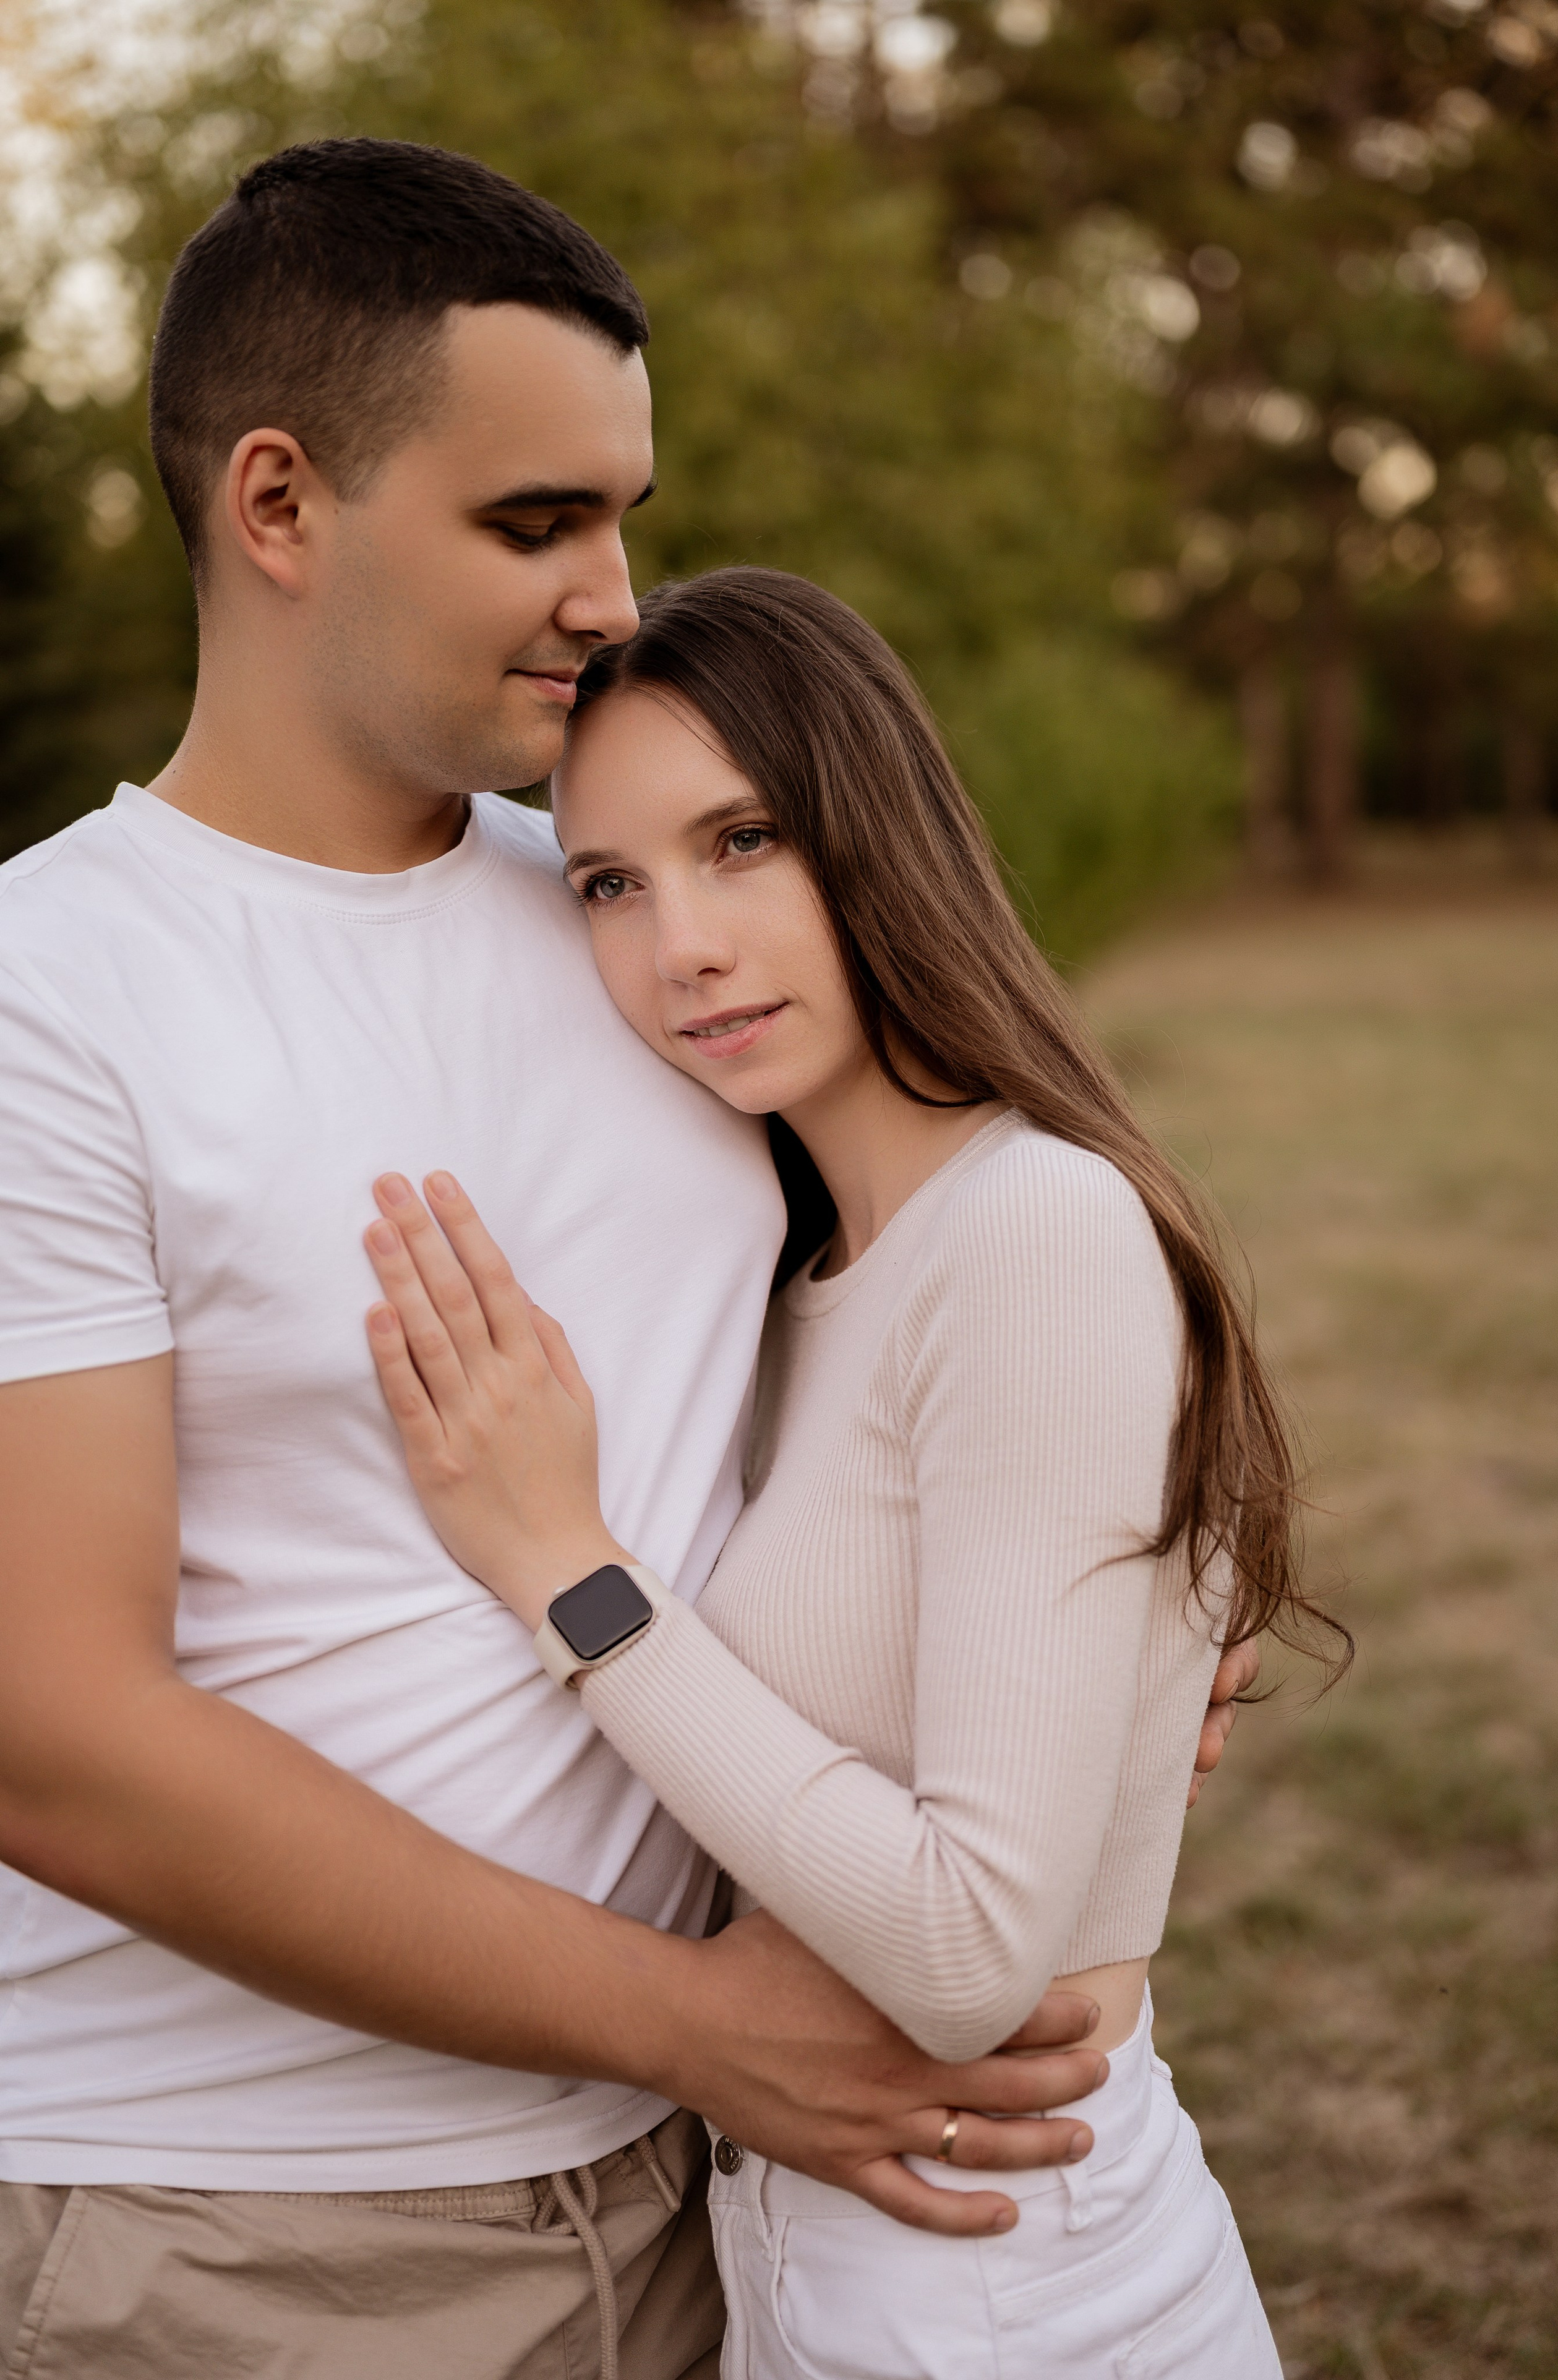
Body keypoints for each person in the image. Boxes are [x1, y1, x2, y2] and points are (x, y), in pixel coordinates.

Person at [0, 143, 1252, 2380]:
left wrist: (1107, 1633)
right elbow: (53, 1735)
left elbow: (938, 1320)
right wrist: (706, 2023)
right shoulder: (50, 997)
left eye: (623, 514)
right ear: (278, 506)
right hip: (244, 2229)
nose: (610, 591)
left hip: (736, 2209)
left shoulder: (634, 903)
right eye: (534, 521)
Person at [356, 567, 1348, 2378]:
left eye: (744, 841)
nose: (685, 950)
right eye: (611, 884)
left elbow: (971, 1957)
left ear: (875, 825)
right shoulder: (802, 1269)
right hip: (816, 2259)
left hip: (1001, 2283)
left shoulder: (1029, 1225)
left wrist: (569, 1570)